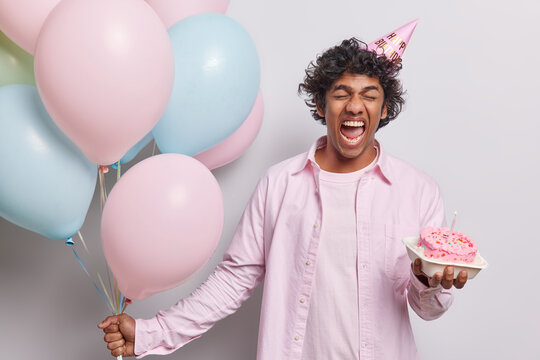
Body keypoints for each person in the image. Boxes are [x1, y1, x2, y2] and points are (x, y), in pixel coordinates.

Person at [98, 37, 468, 360]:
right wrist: (151, 334)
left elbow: (428, 309)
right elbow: (232, 281)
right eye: (341, 94)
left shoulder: (417, 190)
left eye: (370, 96)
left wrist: (427, 279)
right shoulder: (279, 185)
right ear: (322, 106)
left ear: (384, 110)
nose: (355, 106)